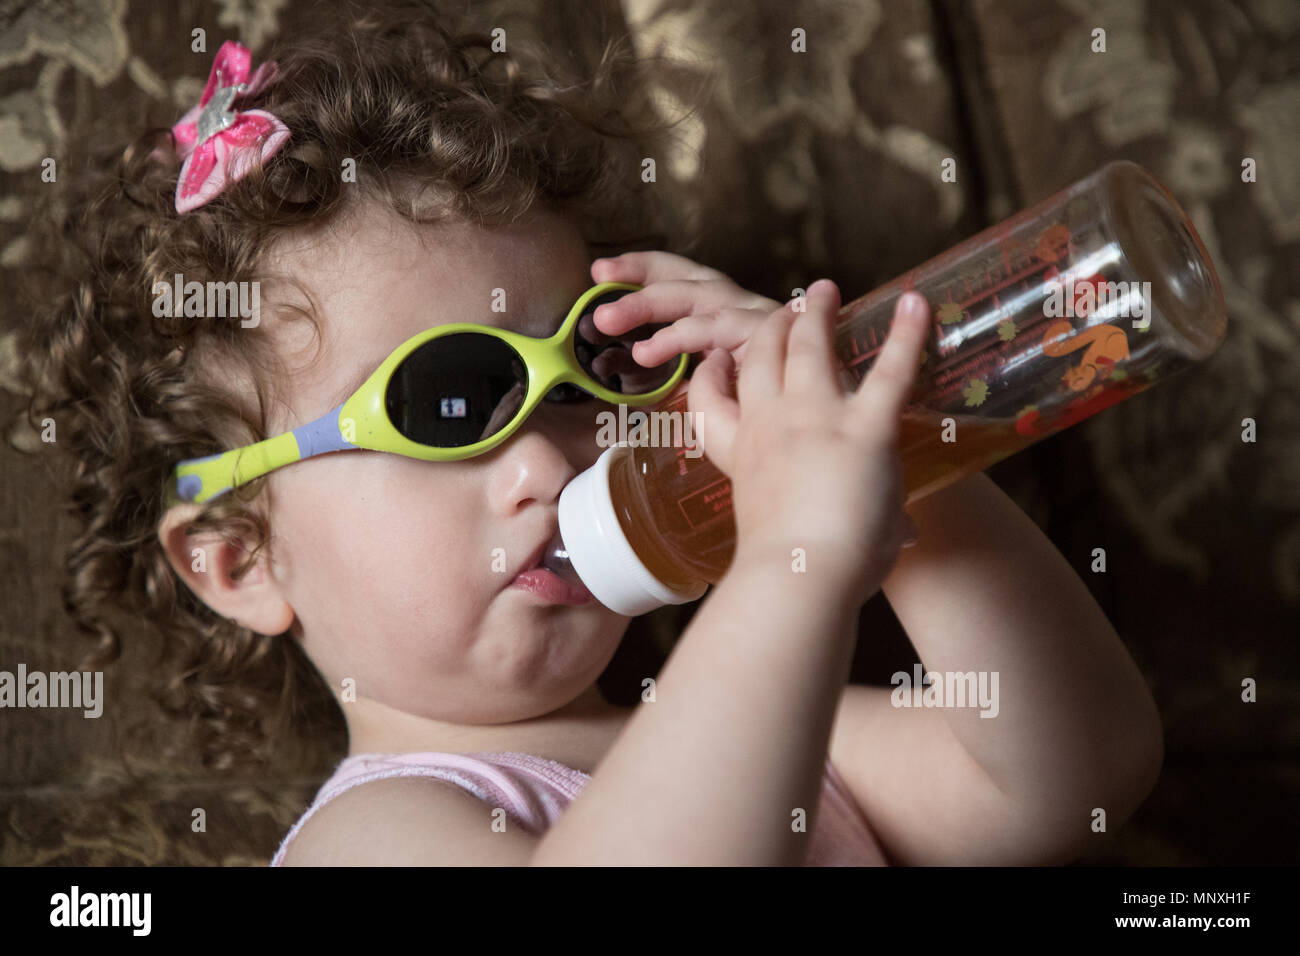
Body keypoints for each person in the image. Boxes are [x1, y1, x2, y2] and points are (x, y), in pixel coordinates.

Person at [16, 1, 1162, 866]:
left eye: (586, 374)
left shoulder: (789, 723)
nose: (548, 456)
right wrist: (786, 569)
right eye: (452, 402)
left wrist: (891, 452)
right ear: (240, 559)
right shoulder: (379, 830)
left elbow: (1073, 771)